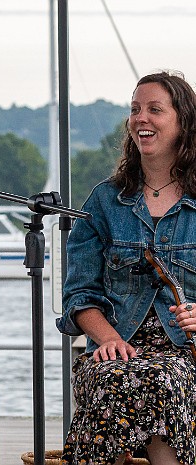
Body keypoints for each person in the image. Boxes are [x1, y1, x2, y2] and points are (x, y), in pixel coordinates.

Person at [56, 71, 196, 465]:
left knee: (161, 382)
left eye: (154, 109)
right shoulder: (104, 200)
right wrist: (108, 339)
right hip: (115, 347)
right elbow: (79, 294)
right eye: (135, 110)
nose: (141, 119)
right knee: (110, 380)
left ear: (182, 121)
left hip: (184, 353)